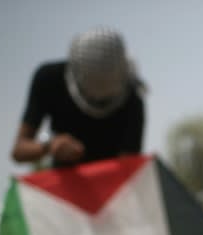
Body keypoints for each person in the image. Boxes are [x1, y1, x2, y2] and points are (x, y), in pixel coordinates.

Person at [10, 27, 145, 168]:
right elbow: (18, 151)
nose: (99, 101)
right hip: (64, 183)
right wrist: (50, 146)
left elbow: (128, 169)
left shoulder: (133, 98)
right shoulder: (48, 80)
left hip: (113, 184)